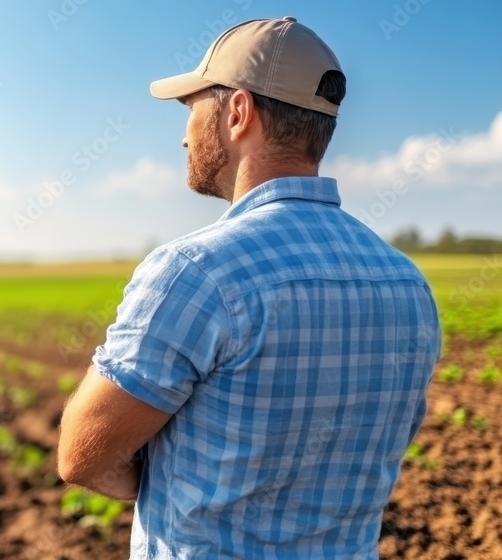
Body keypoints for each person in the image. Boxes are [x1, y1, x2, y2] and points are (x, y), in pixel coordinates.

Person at [56, 16, 441, 559]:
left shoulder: (196, 271)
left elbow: (83, 456)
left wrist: (163, 480)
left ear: (238, 112)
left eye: (193, 108)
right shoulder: (407, 283)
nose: (184, 133)